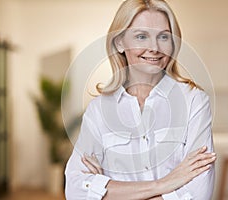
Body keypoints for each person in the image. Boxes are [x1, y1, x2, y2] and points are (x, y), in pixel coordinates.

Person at [65, 0, 216, 199]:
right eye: (141, 36)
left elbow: (198, 193)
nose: (154, 47)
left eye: (163, 37)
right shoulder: (98, 110)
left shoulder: (194, 102)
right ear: (119, 42)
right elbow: (75, 190)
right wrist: (164, 184)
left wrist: (108, 191)